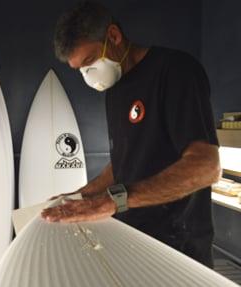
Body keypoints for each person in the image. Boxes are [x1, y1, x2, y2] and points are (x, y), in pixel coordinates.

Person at [41, 1, 221, 268]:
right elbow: (127, 160)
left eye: (90, 61)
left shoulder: (175, 72)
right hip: (133, 238)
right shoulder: (115, 91)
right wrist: (83, 195)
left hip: (179, 247)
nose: (87, 75)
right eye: (79, 69)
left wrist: (113, 201)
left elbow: (206, 167)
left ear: (113, 36)